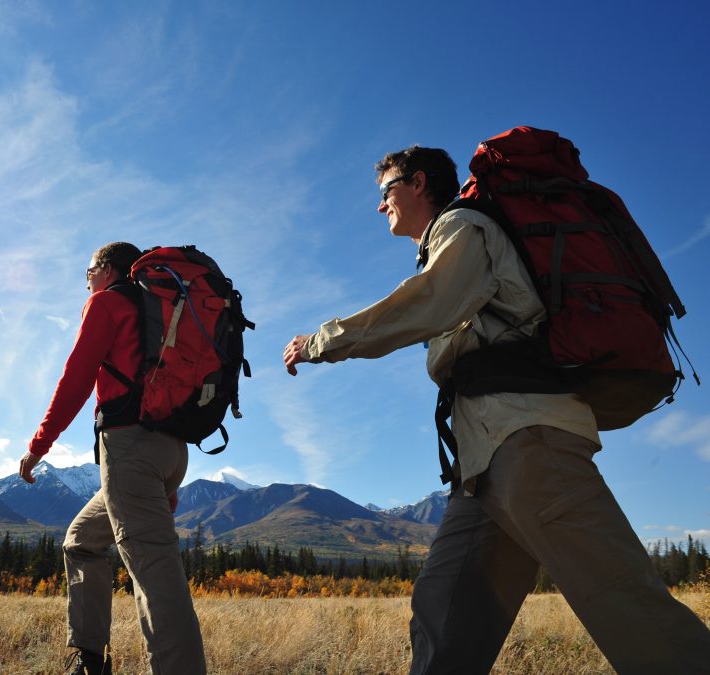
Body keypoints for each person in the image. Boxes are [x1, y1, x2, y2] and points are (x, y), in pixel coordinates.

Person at [282, 146, 710, 674]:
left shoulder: (463, 226)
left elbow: (428, 302)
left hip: (529, 442)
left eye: (385, 191)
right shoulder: (451, 238)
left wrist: (322, 340)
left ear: (418, 183)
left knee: (632, 613)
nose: (379, 206)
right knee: (444, 617)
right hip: (484, 465)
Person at [19, 241, 206, 675]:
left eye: (87, 274)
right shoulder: (160, 309)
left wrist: (38, 445)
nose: (86, 284)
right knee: (81, 541)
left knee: (156, 575)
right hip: (170, 450)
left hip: (131, 451)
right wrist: (167, 483)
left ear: (106, 270)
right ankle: (90, 662)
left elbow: (76, 378)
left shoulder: (108, 303)